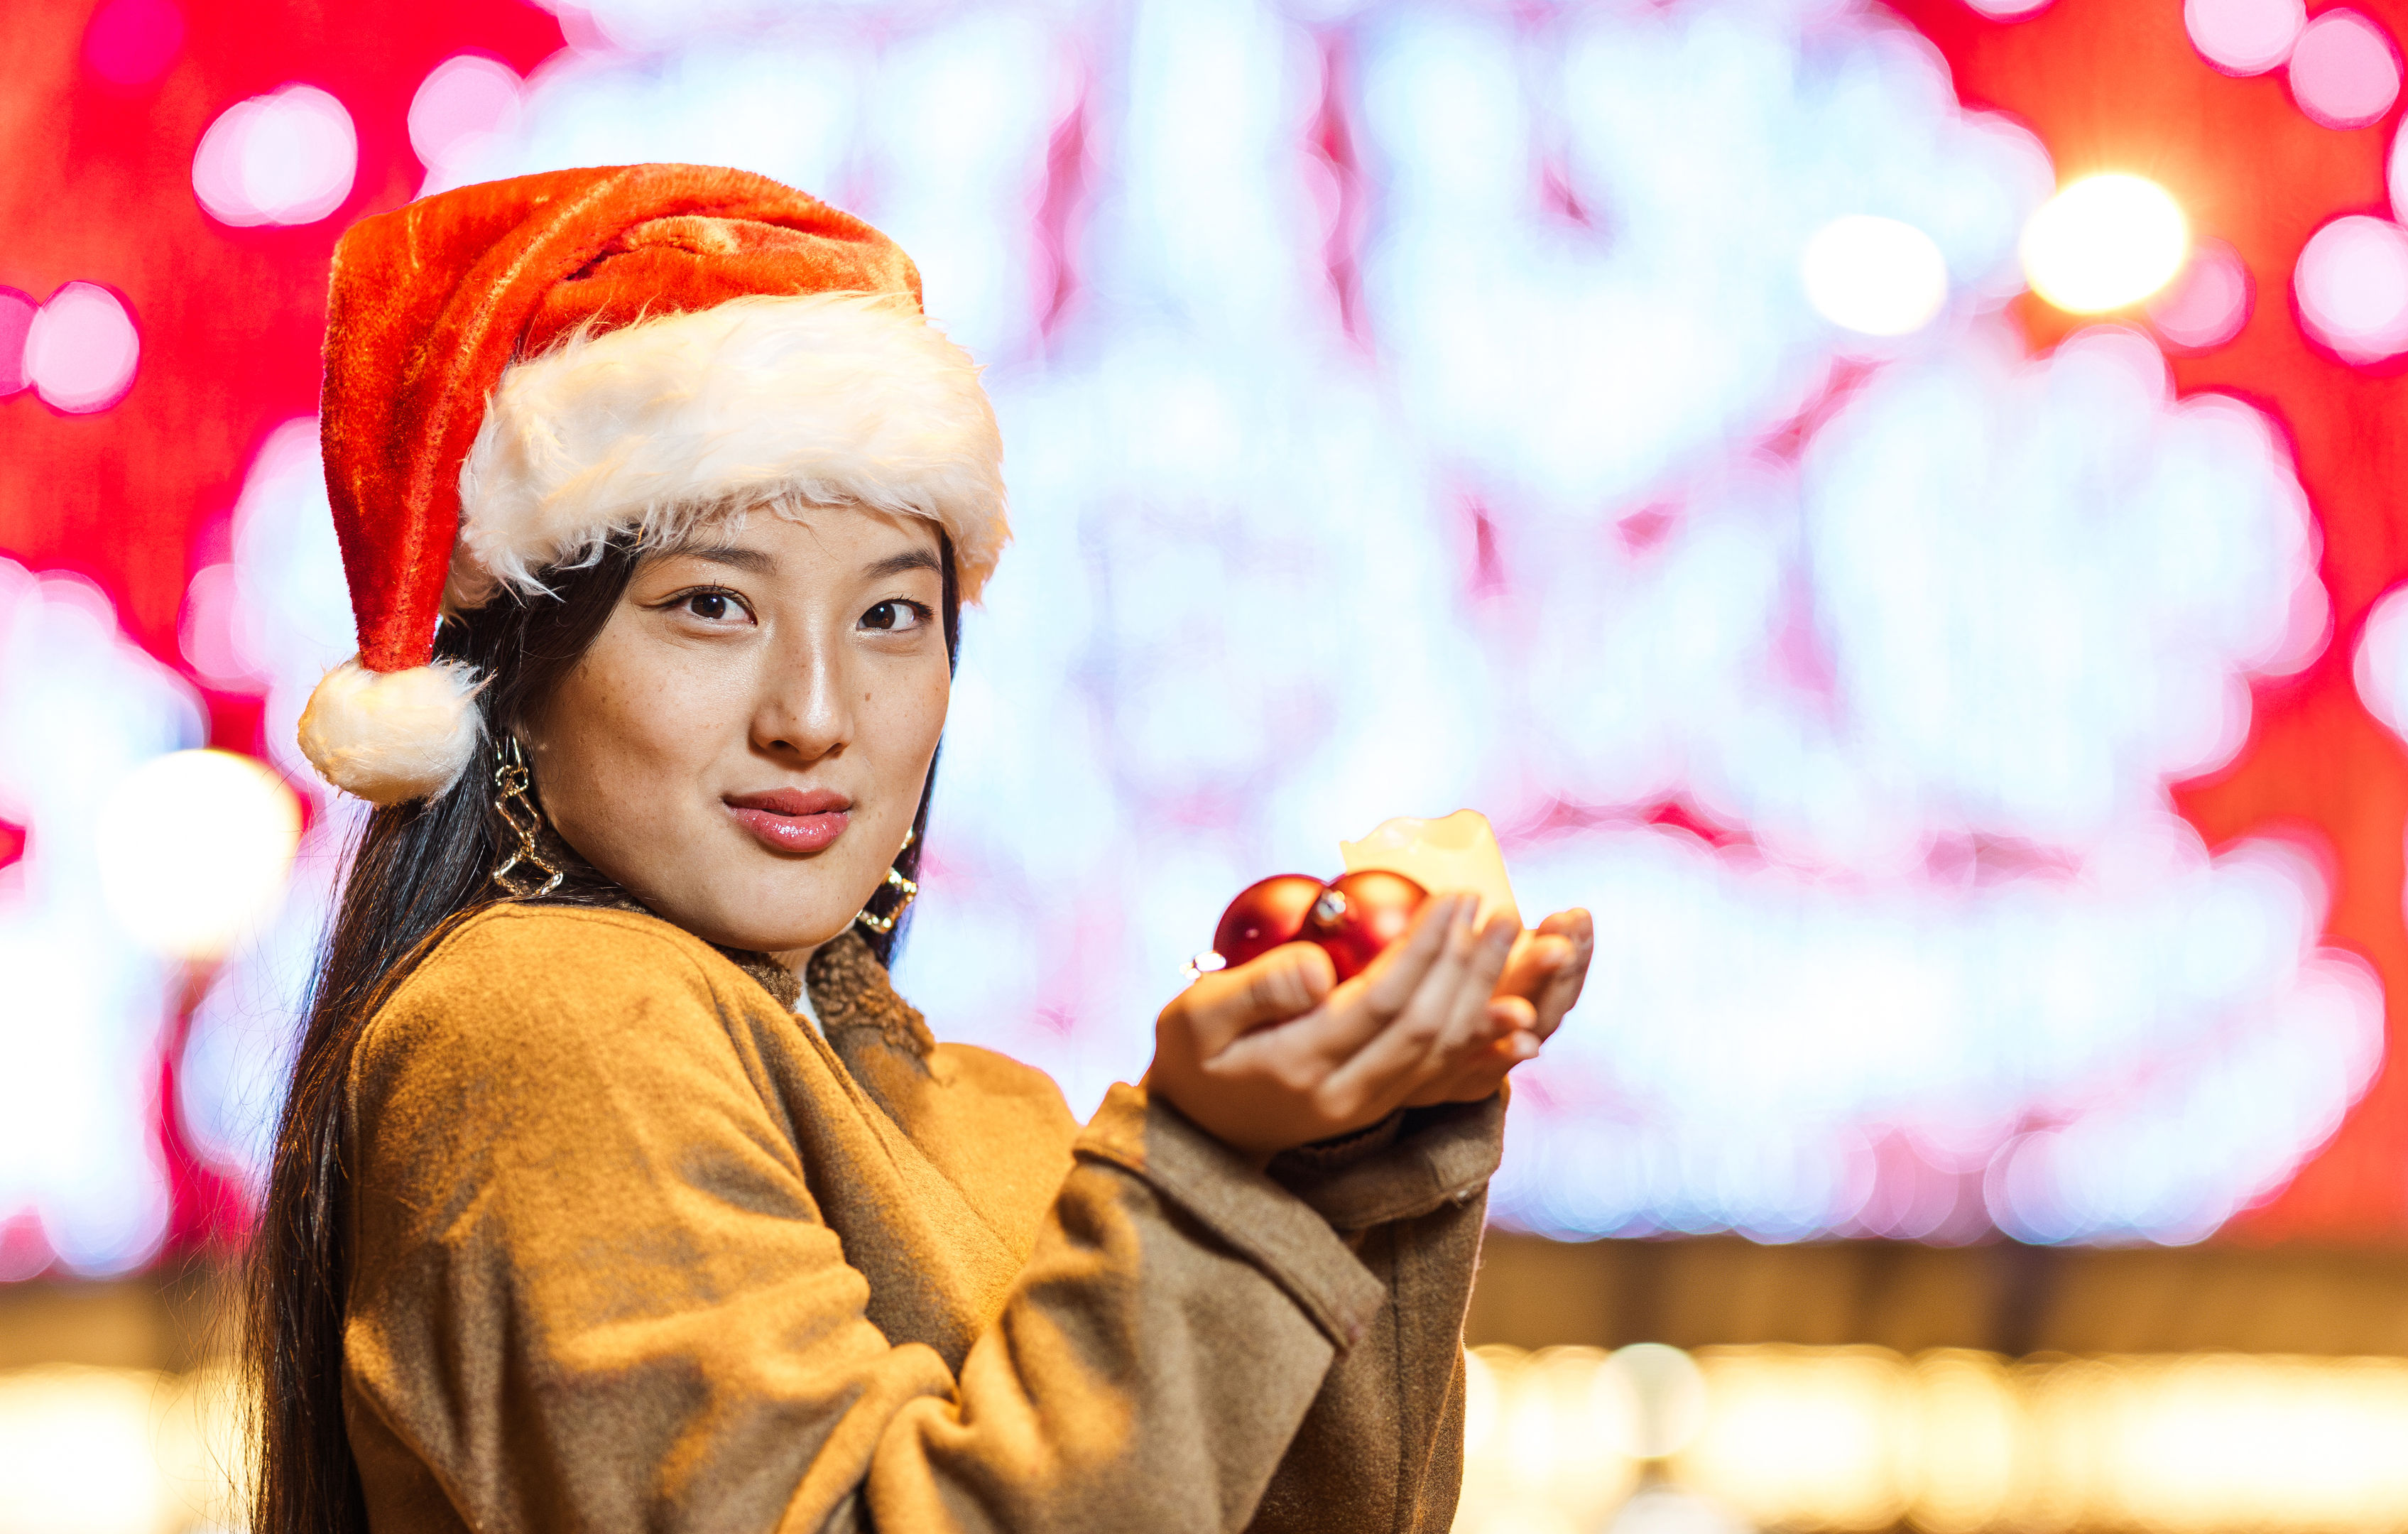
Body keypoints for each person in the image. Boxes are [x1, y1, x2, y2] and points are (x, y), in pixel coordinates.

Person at [245, 164, 1595, 1534]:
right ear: (518, 671)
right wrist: (1207, 1178)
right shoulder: (542, 1013)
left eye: (893, 616)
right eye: (713, 604)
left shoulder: (988, 1110)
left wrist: (1347, 1142)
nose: (817, 718)